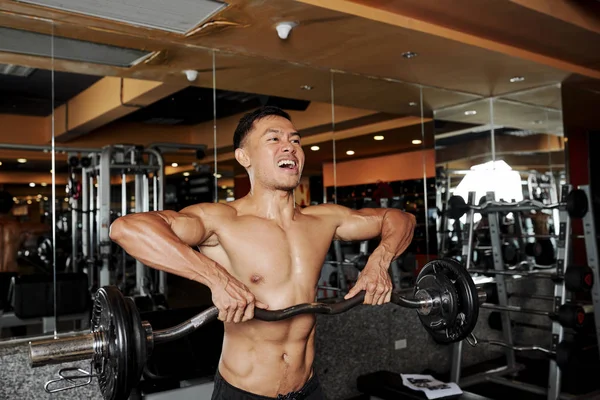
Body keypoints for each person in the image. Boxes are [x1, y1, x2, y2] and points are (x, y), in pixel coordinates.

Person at [110, 106, 416, 399]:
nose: (290, 147)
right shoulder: (221, 220)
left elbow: (401, 219)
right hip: (244, 393)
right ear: (244, 157)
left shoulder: (323, 219)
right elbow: (127, 229)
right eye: (274, 139)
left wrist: (380, 260)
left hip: (308, 388)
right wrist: (216, 278)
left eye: (295, 140)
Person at [0, 190, 50, 273]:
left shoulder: (19, 227)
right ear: (11, 207)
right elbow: (46, 227)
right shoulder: (19, 228)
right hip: (10, 274)